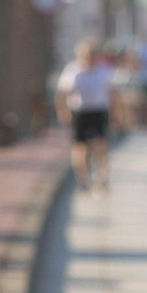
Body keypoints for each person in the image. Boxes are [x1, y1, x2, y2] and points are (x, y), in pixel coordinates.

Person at [56, 40, 115, 192]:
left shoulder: (103, 71)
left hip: (99, 110)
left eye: (92, 55)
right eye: (86, 55)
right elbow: (63, 93)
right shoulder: (73, 71)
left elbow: (112, 92)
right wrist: (63, 111)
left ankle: (101, 176)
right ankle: (82, 179)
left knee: (101, 144)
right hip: (80, 112)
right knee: (80, 147)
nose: (89, 58)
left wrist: (115, 112)